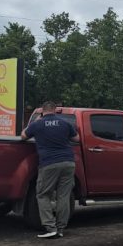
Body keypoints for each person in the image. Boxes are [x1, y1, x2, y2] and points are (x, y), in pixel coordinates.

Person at [21, 102, 80, 238]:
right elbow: (77, 138)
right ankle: (60, 229)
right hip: (68, 162)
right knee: (63, 196)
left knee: (43, 194)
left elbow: (23, 136)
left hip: (49, 163)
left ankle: (50, 227)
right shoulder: (65, 123)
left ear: (42, 111)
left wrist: (34, 123)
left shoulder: (38, 124)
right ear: (54, 110)